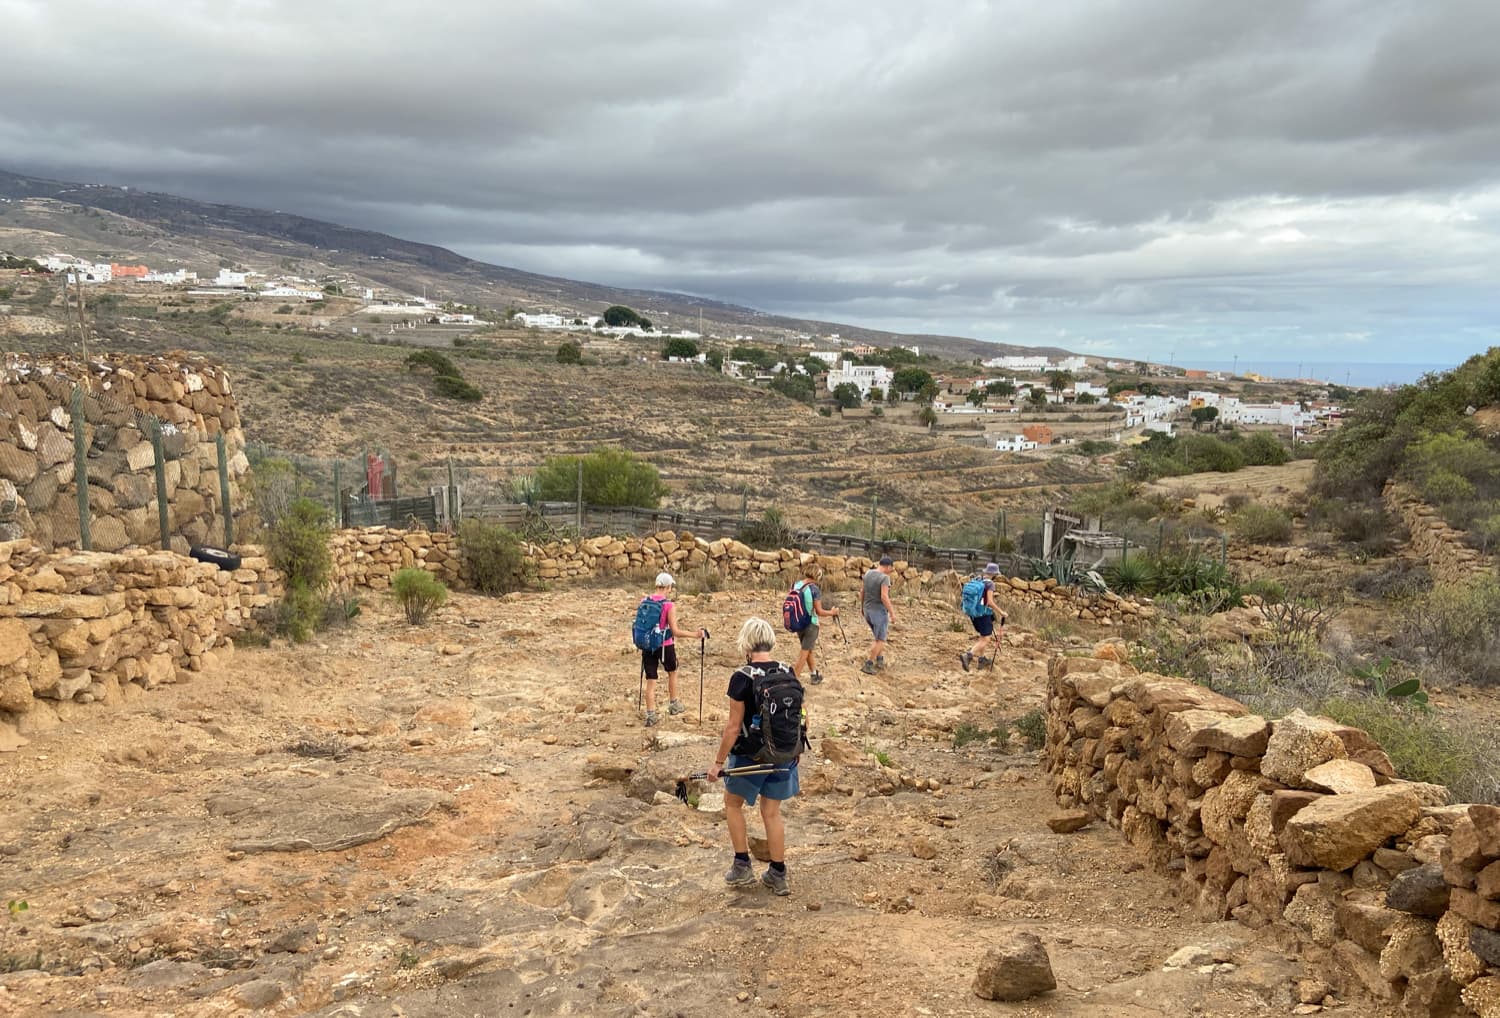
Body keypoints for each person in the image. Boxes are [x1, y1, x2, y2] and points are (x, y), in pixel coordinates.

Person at [707, 617, 801, 895]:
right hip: (785, 753)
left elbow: (733, 727)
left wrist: (718, 763)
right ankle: (778, 873)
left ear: (746, 644)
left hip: (752, 756)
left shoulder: (742, 677)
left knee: (732, 804)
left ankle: (742, 865)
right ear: (770, 640)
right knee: (771, 812)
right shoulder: (788, 671)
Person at [639, 572, 705, 726]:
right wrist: (695, 635)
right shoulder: (668, 605)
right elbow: (675, 631)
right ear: (667, 586)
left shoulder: (644, 601)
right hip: (665, 645)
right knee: (672, 672)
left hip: (648, 645)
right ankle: (674, 704)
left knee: (651, 680)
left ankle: (650, 715)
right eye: (670, 587)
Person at [789, 563, 838, 685]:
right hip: (811, 624)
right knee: (805, 651)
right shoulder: (814, 589)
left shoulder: (796, 585)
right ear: (817, 575)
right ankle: (794, 678)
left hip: (798, 621)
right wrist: (832, 612)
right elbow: (819, 611)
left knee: (808, 649)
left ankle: (814, 674)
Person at [960, 562, 1008, 672]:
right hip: (984, 614)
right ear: (995, 574)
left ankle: (981, 659)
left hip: (974, 613)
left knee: (983, 636)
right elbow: (990, 602)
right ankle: (968, 655)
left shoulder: (978, 579)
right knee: (986, 639)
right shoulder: (990, 584)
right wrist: (1001, 612)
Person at [857, 555, 897, 675]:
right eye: (891, 568)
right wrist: (892, 613)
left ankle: (879, 659)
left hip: (868, 610)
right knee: (881, 639)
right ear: (888, 566)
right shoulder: (885, 578)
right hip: (878, 612)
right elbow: (884, 597)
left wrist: (862, 607)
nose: (891, 571)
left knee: (877, 636)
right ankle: (869, 664)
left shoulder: (868, 573)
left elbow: (862, 591)